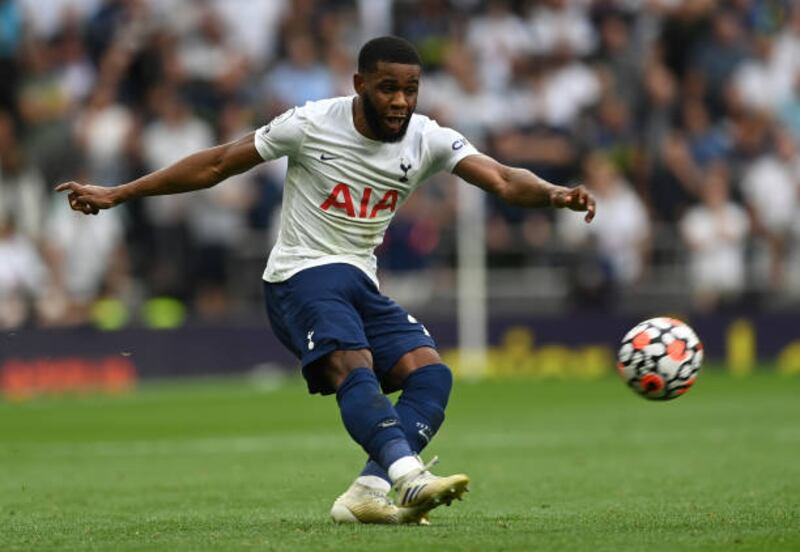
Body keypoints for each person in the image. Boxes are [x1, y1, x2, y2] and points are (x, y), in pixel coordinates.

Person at [56, 36, 596, 525]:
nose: (401, 102)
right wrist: (119, 193)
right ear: (359, 84)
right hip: (299, 275)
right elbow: (219, 163)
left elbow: (501, 177)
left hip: (359, 281)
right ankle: (409, 477)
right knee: (353, 363)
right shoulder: (311, 123)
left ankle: (368, 490)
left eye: (411, 90)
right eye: (388, 89)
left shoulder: (427, 138)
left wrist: (552, 193)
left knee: (431, 377)